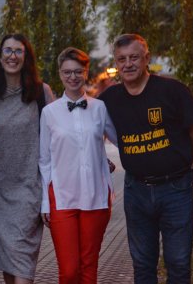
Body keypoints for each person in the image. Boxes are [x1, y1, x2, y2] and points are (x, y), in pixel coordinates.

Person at [98, 33, 193, 284]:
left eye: (134, 57)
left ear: (147, 58)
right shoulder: (109, 99)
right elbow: (89, 129)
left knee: (178, 262)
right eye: (122, 59)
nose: (128, 64)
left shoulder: (172, 90)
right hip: (136, 189)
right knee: (142, 264)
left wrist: (185, 160)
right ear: (116, 62)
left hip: (176, 189)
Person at [39, 47, 118, 284]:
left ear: (86, 72)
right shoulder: (49, 112)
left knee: (88, 268)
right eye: (67, 72)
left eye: (78, 71)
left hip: (96, 196)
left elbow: (121, 140)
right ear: (60, 74)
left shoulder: (100, 108)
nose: (72, 77)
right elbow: (44, 160)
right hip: (62, 198)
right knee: (69, 270)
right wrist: (45, 202)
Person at [0, 34, 54, 284]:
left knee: (22, 256)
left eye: (18, 51)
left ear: (26, 57)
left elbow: (57, 137)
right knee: (8, 258)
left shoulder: (41, 92)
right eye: (7, 51)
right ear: (0, 56)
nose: (12, 56)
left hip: (29, 187)